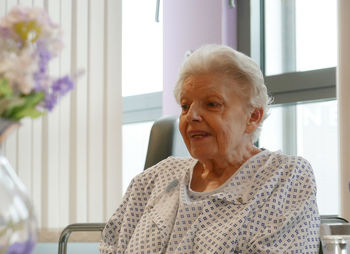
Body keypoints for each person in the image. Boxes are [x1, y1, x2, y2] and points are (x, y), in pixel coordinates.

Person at [99, 44, 320, 253]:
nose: (191, 116)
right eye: (185, 106)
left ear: (253, 116)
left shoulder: (284, 178)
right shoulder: (151, 181)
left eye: (212, 104)